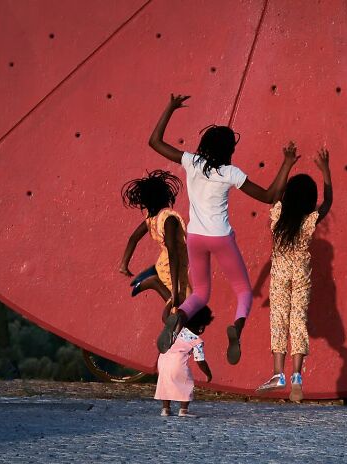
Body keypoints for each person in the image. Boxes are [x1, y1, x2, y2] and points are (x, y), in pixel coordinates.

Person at [148, 93, 299, 363]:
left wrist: (170, 107)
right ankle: (236, 329)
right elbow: (269, 196)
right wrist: (286, 164)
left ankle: (178, 317)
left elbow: (155, 142)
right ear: (229, 151)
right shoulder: (231, 173)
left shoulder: (191, 162)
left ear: (205, 145)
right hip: (220, 238)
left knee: (200, 293)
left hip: (194, 237)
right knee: (243, 291)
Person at [256, 149, 332, 402]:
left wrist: (286, 164)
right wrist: (326, 171)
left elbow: (275, 196)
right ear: (310, 199)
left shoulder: (278, 216)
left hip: (279, 275)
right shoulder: (309, 220)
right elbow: (328, 203)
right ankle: (297, 376)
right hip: (301, 275)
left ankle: (278, 373)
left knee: (278, 320)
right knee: (298, 321)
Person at [119, 170, 191, 310]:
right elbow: (173, 253)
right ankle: (154, 283)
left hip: (165, 265)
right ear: (166, 194)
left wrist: (124, 264)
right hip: (173, 269)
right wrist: (175, 291)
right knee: (185, 309)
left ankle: (154, 283)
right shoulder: (169, 219)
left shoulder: (152, 218)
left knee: (181, 310)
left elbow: (133, 238)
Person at [155, 306, 214, 417]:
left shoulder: (176, 330)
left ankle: (165, 409)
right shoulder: (197, 341)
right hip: (178, 364)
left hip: (163, 360)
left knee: (165, 383)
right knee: (187, 384)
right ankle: (183, 410)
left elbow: (164, 318)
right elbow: (200, 361)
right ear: (201, 327)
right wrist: (208, 374)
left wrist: (169, 305)